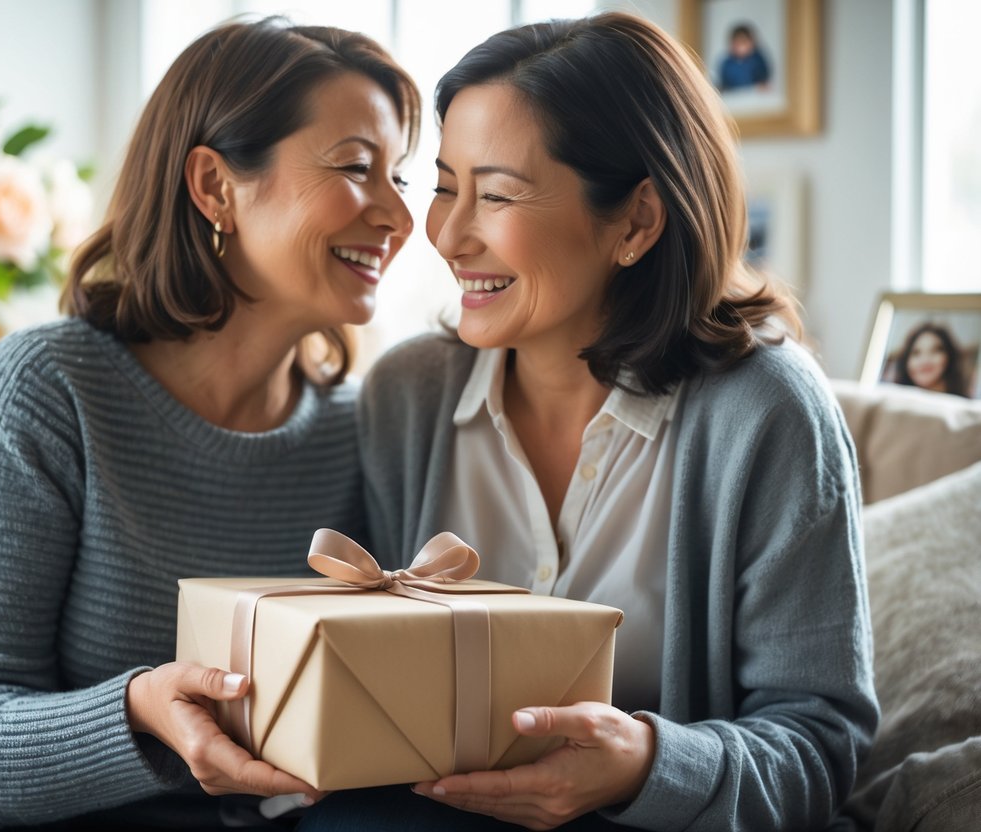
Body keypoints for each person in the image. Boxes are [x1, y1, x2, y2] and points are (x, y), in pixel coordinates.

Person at [0, 18, 417, 831]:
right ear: (214, 186)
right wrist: (140, 709)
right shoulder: (48, 386)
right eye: (357, 168)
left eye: (402, 178)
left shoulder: (364, 425)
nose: (397, 215)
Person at [301, 13, 877, 831]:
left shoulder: (768, 412)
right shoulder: (407, 396)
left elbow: (818, 747)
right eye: (441, 186)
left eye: (495, 195)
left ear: (637, 222)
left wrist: (644, 766)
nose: (448, 234)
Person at [893, 321, 969, 397]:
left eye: (935, 351)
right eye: (916, 353)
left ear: (949, 357)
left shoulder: (965, 406)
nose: (925, 361)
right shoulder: (893, 401)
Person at [717, 23, 770, 92]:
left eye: (743, 42)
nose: (740, 47)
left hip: (754, 98)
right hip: (733, 99)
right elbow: (723, 85)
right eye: (737, 43)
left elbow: (763, 81)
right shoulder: (727, 64)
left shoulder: (758, 60)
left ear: (752, 43)